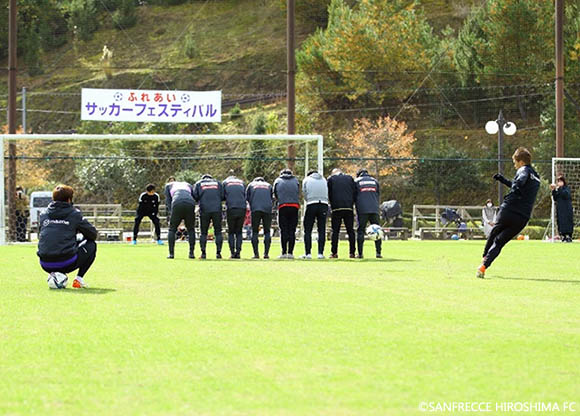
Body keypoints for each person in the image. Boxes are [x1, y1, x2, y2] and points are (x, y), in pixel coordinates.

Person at [477, 147, 541, 278]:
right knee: (500, 241)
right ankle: (484, 267)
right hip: (523, 217)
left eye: (515, 163)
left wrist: (516, 185)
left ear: (521, 162)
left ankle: (484, 257)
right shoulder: (537, 177)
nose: (515, 166)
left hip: (509, 209)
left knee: (495, 232)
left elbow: (520, 181)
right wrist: (503, 180)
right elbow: (519, 186)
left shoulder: (523, 170)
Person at [37, 184, 97, 288]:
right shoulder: (74, 214)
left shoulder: (43, 214)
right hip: (66, 263)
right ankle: (79, 279)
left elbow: (41, 236)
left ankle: (55, 275)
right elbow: (92, 234)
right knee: (91, 244)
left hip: (44, 263)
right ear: (69, 200)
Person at [327, 168, 356, 258]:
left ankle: (334, 252)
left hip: (336, 208)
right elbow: (354, 192)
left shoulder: (331, 179)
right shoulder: (350, 178)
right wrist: (352, 202)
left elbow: (329, 193)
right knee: (350, 230)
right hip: (348, 207)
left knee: (335, 231)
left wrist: (331, 203)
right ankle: (352, 252)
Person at [194, 174, 224, 259]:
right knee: (218, 232)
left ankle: (203, 253)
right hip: (217, 209)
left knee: (203, 232)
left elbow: (195, 196)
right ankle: (218, 253)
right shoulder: (218, 183)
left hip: (204, 209)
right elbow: (222, 196)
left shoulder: (198, 183)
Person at [165, 177, 196, 259]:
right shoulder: (188, 185)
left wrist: (172, 215)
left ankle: (171, 254)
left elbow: (168, 202)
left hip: (176, 202)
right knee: (191, 229)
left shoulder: (168, 185)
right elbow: (194, 196)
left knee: (172, 229)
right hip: (190, 202)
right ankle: (191, 254)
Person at [300, 170, 328, 259]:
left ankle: (308, 253)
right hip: (323, 204)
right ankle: (320, 253)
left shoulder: (306, 179)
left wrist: (308, 199)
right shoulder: (324, 179)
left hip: (311, 203)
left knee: (308, 230)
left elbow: (304, 193)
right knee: (322, 229)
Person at [354, 169, 382, 259]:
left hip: (362, 209)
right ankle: (378, 253)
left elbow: (354, 195)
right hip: (374, 209)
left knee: (360, 231)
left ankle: (360, 253)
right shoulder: (374, 181)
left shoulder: (357, 181)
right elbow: (378, 194)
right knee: (377, 231)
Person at [273, 168, 300, 259]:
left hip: (283, 206)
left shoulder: (278, 181)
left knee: (283, 230)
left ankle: (284, 252)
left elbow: (275, 194)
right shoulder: (295, 180)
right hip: (294, 206)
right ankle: (291, 253)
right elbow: (298, 192)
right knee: (292, 230)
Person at [246, 176, 273, 259]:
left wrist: (252, 205)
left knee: (254, 232)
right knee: (267, 231)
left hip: (255, 209)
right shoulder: (269, 185)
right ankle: (266, 254)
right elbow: (272, 197)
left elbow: (247, 198)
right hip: (267, 209)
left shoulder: (251, 185)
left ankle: (256, 254)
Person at [223, 170, 246, 258]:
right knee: (239, 232)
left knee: (231, 232)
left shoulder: (225, 183)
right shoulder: (241, 182)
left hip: (231, 208)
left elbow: (222, 195)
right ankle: (238, 252)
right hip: (242, 208)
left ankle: (232, 252)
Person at [551, 175, 574, 242]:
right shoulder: (558, 189)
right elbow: (555, 198)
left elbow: (566, 195)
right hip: (560, 209)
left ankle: (569, 236)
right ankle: (563, 236)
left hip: (567, 208)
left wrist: (559, 189)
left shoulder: (566, 189)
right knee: (561, 222)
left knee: (567, 222)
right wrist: (553, 190)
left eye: (560, 181)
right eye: (558, 181)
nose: (559, 183)